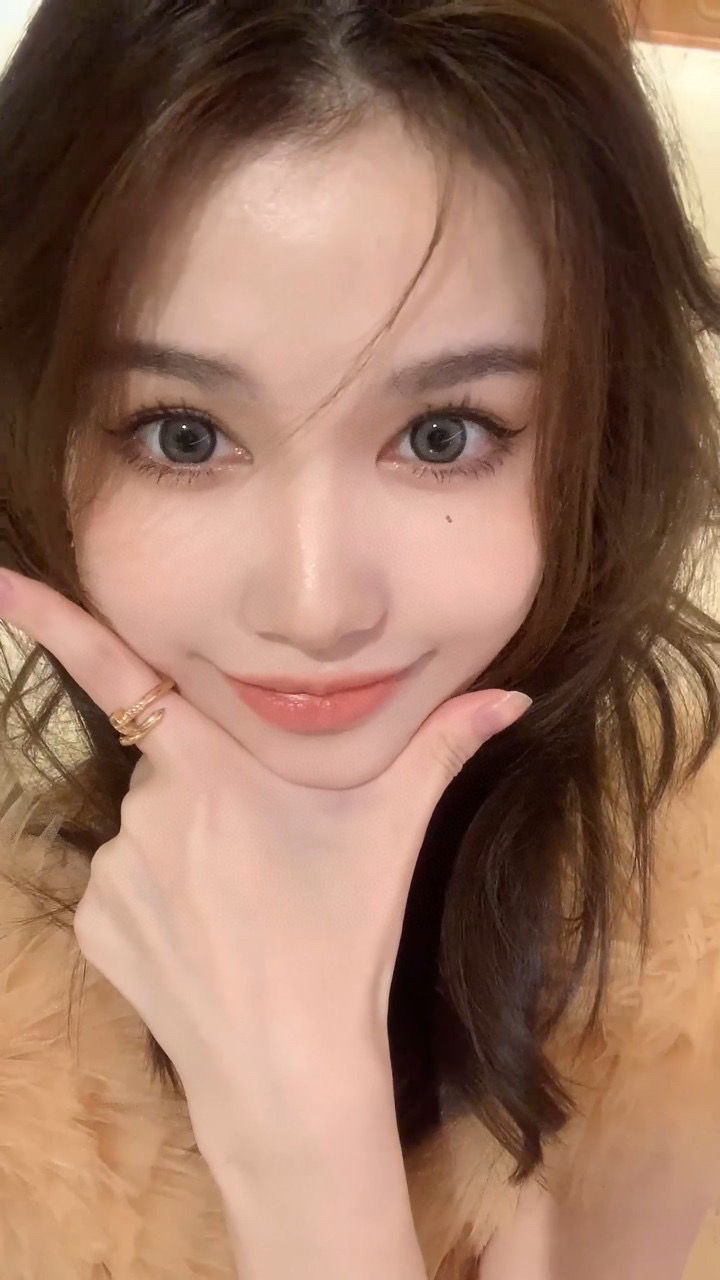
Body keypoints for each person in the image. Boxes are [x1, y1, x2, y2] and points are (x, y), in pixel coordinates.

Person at [0, 0, 719, 1276]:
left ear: (600, 438)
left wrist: (310, 1165)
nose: (317, 604)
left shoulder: (679, 946)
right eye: (181, 433)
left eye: (444, 433)